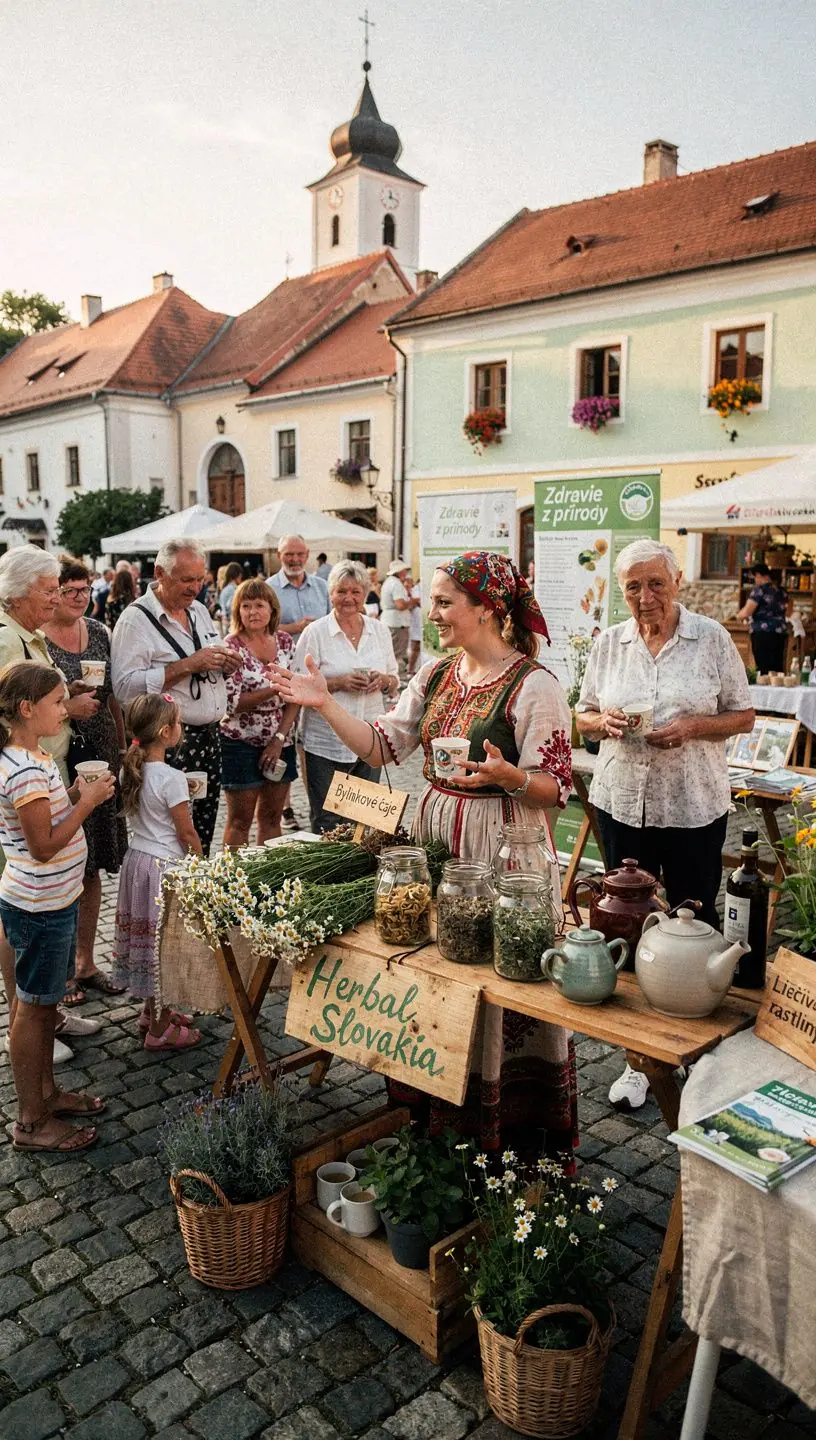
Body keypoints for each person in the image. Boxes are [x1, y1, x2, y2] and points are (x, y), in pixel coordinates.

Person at [274, 551, 577, 1159]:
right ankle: (433, 1123)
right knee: (439, 975)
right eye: (433, 601)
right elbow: (383, 746)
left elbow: (557, 788)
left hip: (505, 849)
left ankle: (505, 1136)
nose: (431, 612)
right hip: (439, 845)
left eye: (444, 603)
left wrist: (508, 775)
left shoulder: (534, 686)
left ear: (487, 609)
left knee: (497, 984)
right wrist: (324, 704)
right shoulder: (437, 675)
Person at [576, 538, 755, 1110]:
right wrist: (600, 721)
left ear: (676, 583)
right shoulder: (611, 642)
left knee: (692, 921)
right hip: (622, 800)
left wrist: (692, 728)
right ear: (622, 590)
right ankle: (638, 1061)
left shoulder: (712, 638)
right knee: (628, 924)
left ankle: (695, 1051)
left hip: (692, 804)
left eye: (656, 583)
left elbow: (745, 715)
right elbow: (580, 711)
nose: (645, 596)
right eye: (633, 586)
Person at [0, 547, 108, 1063]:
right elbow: (11, 711)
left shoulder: (29, 635)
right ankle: (28, 1020)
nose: (55, 595)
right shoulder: (5, 638)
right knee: (17, 913)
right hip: (24, 788)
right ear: (20, 591)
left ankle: (47, 1013)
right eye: (47, 589)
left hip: (46, 773)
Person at [0, 662, 114, 1153]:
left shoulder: (35, 756)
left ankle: (47, 1094)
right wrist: (86, 805)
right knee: (33, 1007)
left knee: (44, 1007)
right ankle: (30, 1122)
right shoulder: (23, 769)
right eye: (57, 701)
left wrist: (73, 794)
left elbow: (48, 813)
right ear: (27, 709)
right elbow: (42, 845)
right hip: (38, 905)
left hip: (54, 900)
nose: (65, 708)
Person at [110, 539, 240, 855]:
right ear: (160, 573)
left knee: (201, 833)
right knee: (174, 836)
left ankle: (194, 896)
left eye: (200, 579)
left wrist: (228, 665)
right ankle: (166, 900)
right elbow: (124, 688)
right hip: (169, 743)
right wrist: (185, 666)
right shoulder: (135, 619)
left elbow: (211, 658)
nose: (195, 588)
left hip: (209, 739)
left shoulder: (197, 611)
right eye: (186, 580)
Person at [43, 559, 129, 1007]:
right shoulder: (38, 639)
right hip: (62, 759)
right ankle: (60, 975)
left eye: (83, 588)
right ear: (51, 593)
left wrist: (122, 743)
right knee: (67, 866)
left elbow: (111, 695)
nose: (78, 596)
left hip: (102, 753)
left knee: (93, 864)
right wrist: (67, 707)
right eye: (69, 589)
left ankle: (85, 962)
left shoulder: (98, 631)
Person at [113, 694, 202, 1050]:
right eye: (178, 723)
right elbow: (185, 832)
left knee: (149, 942)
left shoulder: (129, 769)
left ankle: (153, 1011)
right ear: (166, 732)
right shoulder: (171, 777)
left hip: (138, 862)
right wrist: (200, 861)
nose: (181, 728)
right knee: (165, 947)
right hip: (165, 868)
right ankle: (160, 1031)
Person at [294, 560, 399, 832]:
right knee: (328, 819)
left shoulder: (379, 631)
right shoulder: (315, 633)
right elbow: (299, 685)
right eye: (341, 591)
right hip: (326, 741)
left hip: (369, 738)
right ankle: (326, 875)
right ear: (331, 594)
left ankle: (359, 872)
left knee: (365, 820)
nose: (348, 598)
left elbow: (394, 679)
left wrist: (384, 680)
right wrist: (338, 683)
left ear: (365, 594)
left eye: (355, 592)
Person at [220, 579, 299, 848]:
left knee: (271, 817)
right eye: (246, 606)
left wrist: (278, 739)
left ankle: (268, 883)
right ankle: (231, 883)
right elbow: (230, 704)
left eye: (259, 605)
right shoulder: (231, 646)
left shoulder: (286, 641)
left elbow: (295, 695)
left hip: (281, 742)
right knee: (240, 821)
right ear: (237, 611)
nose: (253, 612)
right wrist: (273, 688)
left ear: (272, 609)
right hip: (240, 743)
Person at [267, 535, 330, 829]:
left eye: (299, 555)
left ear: (307, 555)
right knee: (285, 738)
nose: (294, 560)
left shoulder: (320, 586)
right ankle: (286, 807)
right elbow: (257, 625)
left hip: (314, 673)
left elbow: (332, 623)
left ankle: (314, 800)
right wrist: (295, 627)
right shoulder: (269, 588)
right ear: (279, 555)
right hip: (281, 673)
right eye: (288, 555)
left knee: (310, 741)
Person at [736, 562, 790, 674]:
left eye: (755, 577)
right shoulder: (781, 591)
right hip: (779, 633)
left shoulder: (759, 590)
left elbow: (747, 612)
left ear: (759, 575)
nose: (755, 580)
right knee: (777, 668)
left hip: (763, 633)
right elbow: (789, 611)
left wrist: (738, 616)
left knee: (764, 668)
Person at [380, 559, 418, 673]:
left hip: (392, 621)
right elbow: (400, 605)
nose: (406, 573)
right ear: (399, 571)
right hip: (397, 623)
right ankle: (397, 679)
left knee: (393, 652)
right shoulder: (396, 584)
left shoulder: (390, 582)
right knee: (397, 653)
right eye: (404, 571)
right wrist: (414, 601)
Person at [105, 566, 136, 630]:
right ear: (129, 583)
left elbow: (108, 621)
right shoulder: (131, 600)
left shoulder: (110, 599)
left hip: (113, 634)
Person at [407, 575, 422, 677]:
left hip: (427, 619)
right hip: (417, 619)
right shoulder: (416, 588)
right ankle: (410, 669)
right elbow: (415, 602)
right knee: (415, 645)